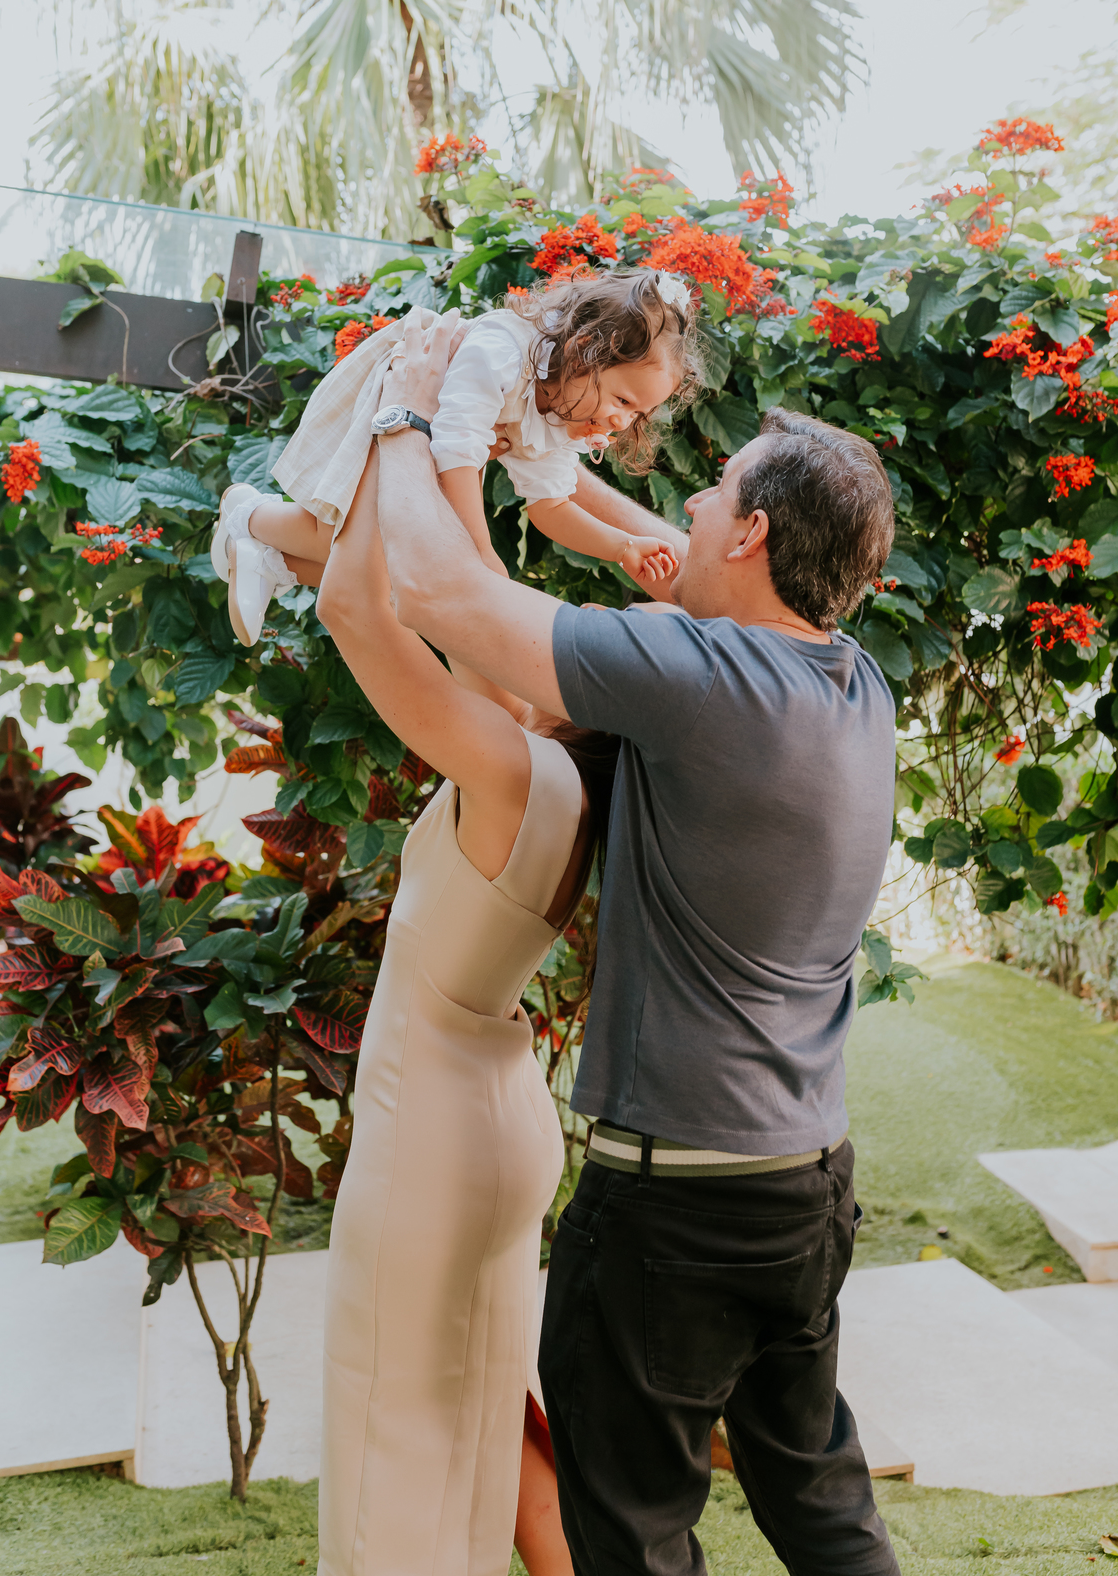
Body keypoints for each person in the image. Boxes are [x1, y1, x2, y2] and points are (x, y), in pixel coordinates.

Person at [370, 321, 903, 1576]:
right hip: (801, 1188)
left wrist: (413, 417)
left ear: (757, 534)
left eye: (714, 496)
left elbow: (446, 594)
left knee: (634, 1542)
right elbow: (673, 579)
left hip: (674, 1213)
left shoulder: (696, 676)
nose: (691, 505)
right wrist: (567, 480)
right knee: (824, 1511)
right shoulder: (852, 683)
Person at [310, 359, 687, 1576]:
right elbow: (453, 603)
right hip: (499, 1127)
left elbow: (363, 614)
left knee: (394, 1449)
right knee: (479, 1430)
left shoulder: (511, 764)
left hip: (431, 1135)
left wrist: (404, 422)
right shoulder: (560, 773)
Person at [210, 271, 698, 645]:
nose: (622, 422)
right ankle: (247, 513)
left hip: (426, 440)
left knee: (383, 568)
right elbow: (457, 450)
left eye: (639, 413)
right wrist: (478, 549)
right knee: (340, 533)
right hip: (398, 396)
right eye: (623, 401)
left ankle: (265, 557)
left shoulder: (564, 412)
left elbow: (551, 505)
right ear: (586, 350)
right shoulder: (503, 354)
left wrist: (621, 545)